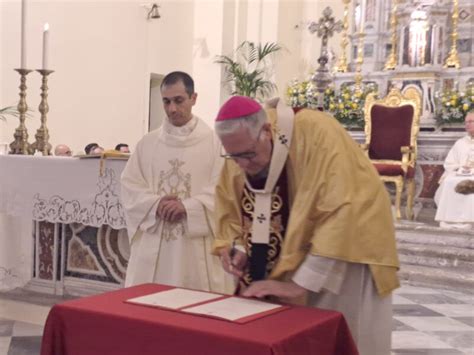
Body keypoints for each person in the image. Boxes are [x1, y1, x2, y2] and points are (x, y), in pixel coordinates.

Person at [212, 96, 400, 355]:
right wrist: (238, 247)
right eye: (233, 156)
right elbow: (231, 202)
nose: (242, 164)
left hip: (345, 257)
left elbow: (344, 207)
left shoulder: (316, 132)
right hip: (291, 261)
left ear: (267, 131)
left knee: (341, 336)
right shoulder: (241, 146)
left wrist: (299, 284)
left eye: (247, 155)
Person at [121, 71, 232, 293]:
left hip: (195, 246)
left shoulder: (215, 143)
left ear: (194, 98)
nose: (172, 108)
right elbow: (129, 185)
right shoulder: (147, 143)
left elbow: (224, 190)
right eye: (166, 101)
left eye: (179, 100)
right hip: (155, 241)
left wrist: (188, 206)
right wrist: (155, 204)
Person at [434, 110, 474, 228]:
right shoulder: (460, 143)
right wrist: (460, 167)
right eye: (466, 122)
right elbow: (449, 163)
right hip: (460, 174)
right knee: (448, 181)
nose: (468, 124)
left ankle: (469, 220)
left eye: (471, 121)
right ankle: (448, 220)